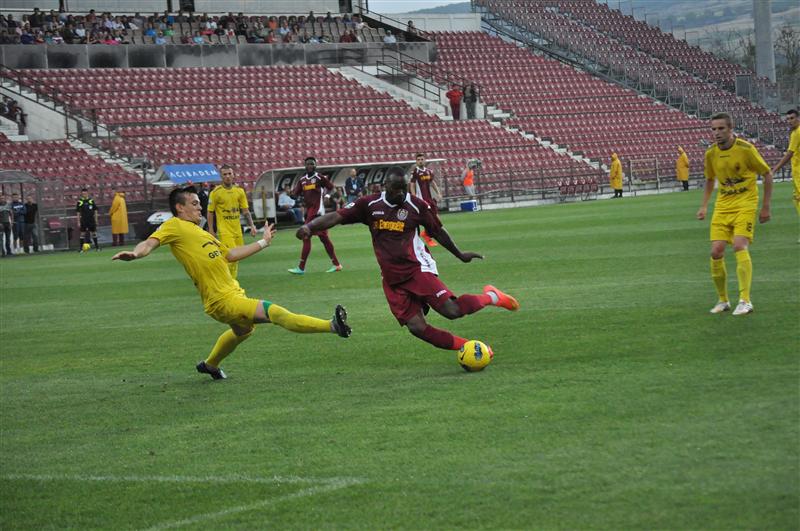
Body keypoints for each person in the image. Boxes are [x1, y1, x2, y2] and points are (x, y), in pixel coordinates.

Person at [112, 186, 351, 380]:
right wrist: (135, 254)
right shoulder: (174, 226)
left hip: (232, 294)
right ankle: (332, 326)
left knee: (244, 331)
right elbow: (149, 243)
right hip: (222, 300)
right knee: (274, 312)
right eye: (194, 203)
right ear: (179, 207)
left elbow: (230, 255)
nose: (199, 207)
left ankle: (210, 365)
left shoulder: (203, 234)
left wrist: (264, 243)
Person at [296, 170, 518, 353]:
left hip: (417, 269)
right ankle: (469, 348)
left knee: (452, 310)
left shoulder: (416, 206)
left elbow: (437, 231)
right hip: (392, 278)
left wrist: (460, 254)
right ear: (386, 187)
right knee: (417, 327)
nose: (401, 193)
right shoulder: (370, 205)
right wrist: (309, 227)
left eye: (404, 188)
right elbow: (337, 216)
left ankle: (491, 297)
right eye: (396, 189)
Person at [697, 112, 773, 316]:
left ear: (730, 129)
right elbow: (709, 179)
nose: (717, 132)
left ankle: (745, 300)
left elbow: (767, 174)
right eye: (713, 129)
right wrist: (704, 206)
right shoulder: (710, 153)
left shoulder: (746, 149)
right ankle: (723, 300)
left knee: (739, 245)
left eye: (721, 128)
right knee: (716, 252)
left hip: (745, 203)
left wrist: (765, 206)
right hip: (723, 206)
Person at [288, 157, 342, 275]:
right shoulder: (302, 180)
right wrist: (292, 195)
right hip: (310, 213)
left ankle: (301, 268)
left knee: (306, 236)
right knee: (324, 239)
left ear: (315, 165)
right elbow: (295, 194)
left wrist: (328, 197)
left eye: (312, 164)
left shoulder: (319, 178)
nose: (310, 166)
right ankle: (336, 264)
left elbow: (332, 188)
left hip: (318, 213)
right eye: (307, 164)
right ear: (305, 166)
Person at [207, 165, 257, 279]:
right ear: (221, 176)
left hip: (237, 230)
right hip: (225, 231)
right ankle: (228, 283)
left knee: (237, 258)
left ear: (233, 175)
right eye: (225, 174)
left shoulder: (239, 191)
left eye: (229, 174)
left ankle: (230, 281)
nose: (228, 176)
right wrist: (211, 230)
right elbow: (210, 212)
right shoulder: (215, 193)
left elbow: (245, 211)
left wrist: (252, 226)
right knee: (230, 257)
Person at [770, 109, 799, 233]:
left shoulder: (797, 133)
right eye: (788, 119)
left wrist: (774, 170)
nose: (790, 121)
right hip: (797, 172)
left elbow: (789, 154)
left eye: (792, 118)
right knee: (796, 199)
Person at [409, 153, 441, 247]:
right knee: (430, 219)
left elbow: (432, 183)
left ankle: (426, 234)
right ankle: (427, 236)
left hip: (429, 199)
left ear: (425, 160)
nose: (420, 161)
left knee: (437, 220)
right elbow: (412, 185)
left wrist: (438, 193)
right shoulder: (415, 172)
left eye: (422, 159)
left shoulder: (428, 171)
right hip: (421, 200)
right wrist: (414, 197)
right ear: (416, 161)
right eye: (418, 160)